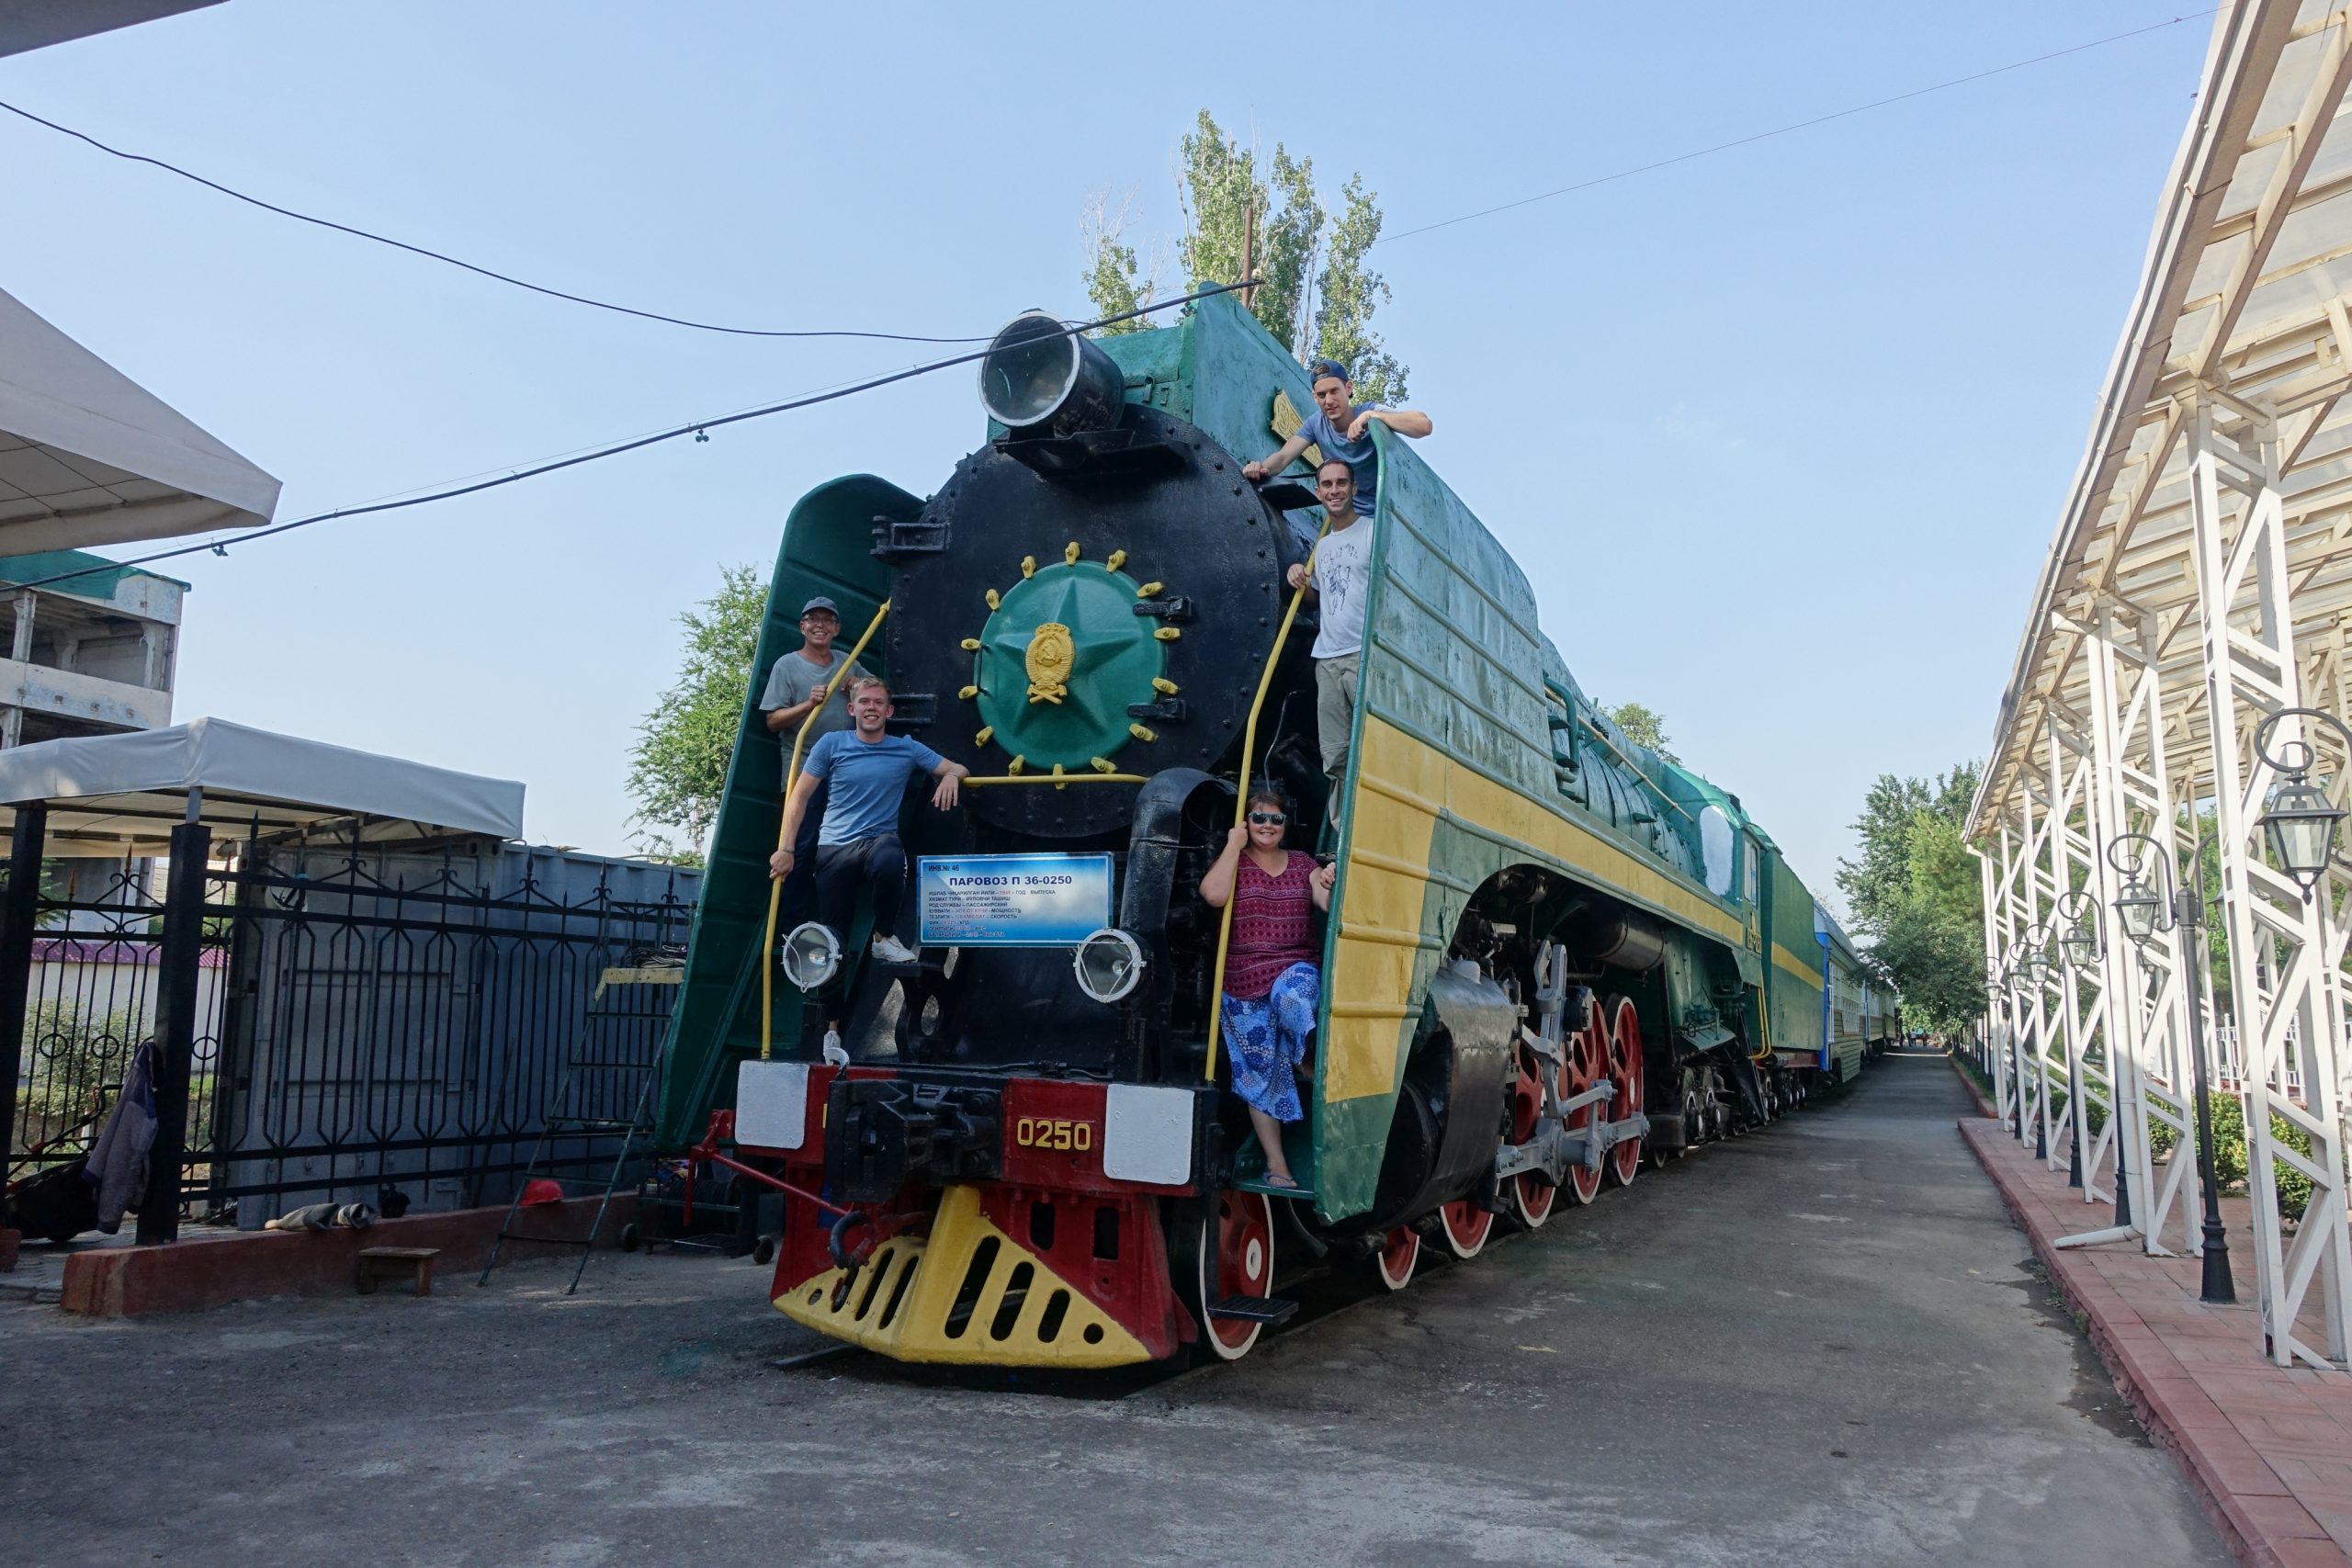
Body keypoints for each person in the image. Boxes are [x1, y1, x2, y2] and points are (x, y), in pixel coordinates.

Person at [769, 678, 967, 971]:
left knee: (891, 857)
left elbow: (958, 767)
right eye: (864, 702)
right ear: (852, 709)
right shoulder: (831, 744)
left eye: (878, 703)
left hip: (878, 842)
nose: (871, 708)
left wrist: (950, 776)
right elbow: (799, 796)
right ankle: (831, 1000)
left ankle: (883, 937)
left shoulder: (907, 748)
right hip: (835, 848)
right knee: (833, 942)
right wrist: (786, 850)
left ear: (889, 711)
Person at [1201, 791, 1336, 1190]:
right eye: (1259, 817)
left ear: (1285, 825)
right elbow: (1213, 895)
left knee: (1291, 998)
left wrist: (1328, 881)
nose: (1267, 825)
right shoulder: (1234, 861)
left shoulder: (1303, 863)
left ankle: (1302, 1054)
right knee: (1258, 1078)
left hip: (1294, 965)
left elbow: (1325, 902)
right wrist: (1233, 845)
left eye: (1276, 819)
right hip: (1243, 980)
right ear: (1247, 822)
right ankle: (1278, 1166)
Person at [760, 596, 870, 925]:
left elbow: (878, 693)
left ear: (836, 628)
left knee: (842, 849)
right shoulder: (786, 665)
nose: (819, 625)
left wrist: (859, 685)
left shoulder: (847, 662)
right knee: (802, 846)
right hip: (804, 769)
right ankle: (793, 929)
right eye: (813, 619)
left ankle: (834, 926)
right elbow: (772, 721)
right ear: (802, 626)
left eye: (827, 619)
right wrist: (808, 704)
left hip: (845, 772)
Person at [1283, 461, 1372, 819]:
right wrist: (1300, 580)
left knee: (1370, 750)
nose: (1334, 490)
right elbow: (1317, 599)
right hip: (1328, 658)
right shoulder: (1323, 546)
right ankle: (1342, 830)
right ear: (1318, 492)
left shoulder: (1372, 532)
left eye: (1341, 483)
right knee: (1334, 755)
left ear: (1353, 488)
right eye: (1327, 485)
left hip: (1364, 654)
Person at [1242, 357, 1431, 516]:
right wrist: (1260, 468)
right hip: (1350, 518)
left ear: (1348, 388)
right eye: (1322, 395)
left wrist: (1372, 417)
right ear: (1315, 397)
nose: (1329, 401)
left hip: (1387, 515)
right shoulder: (1315, 424)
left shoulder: (1368, 411)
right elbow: (1283, 457)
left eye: (1334, 391)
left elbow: (1423, 425)